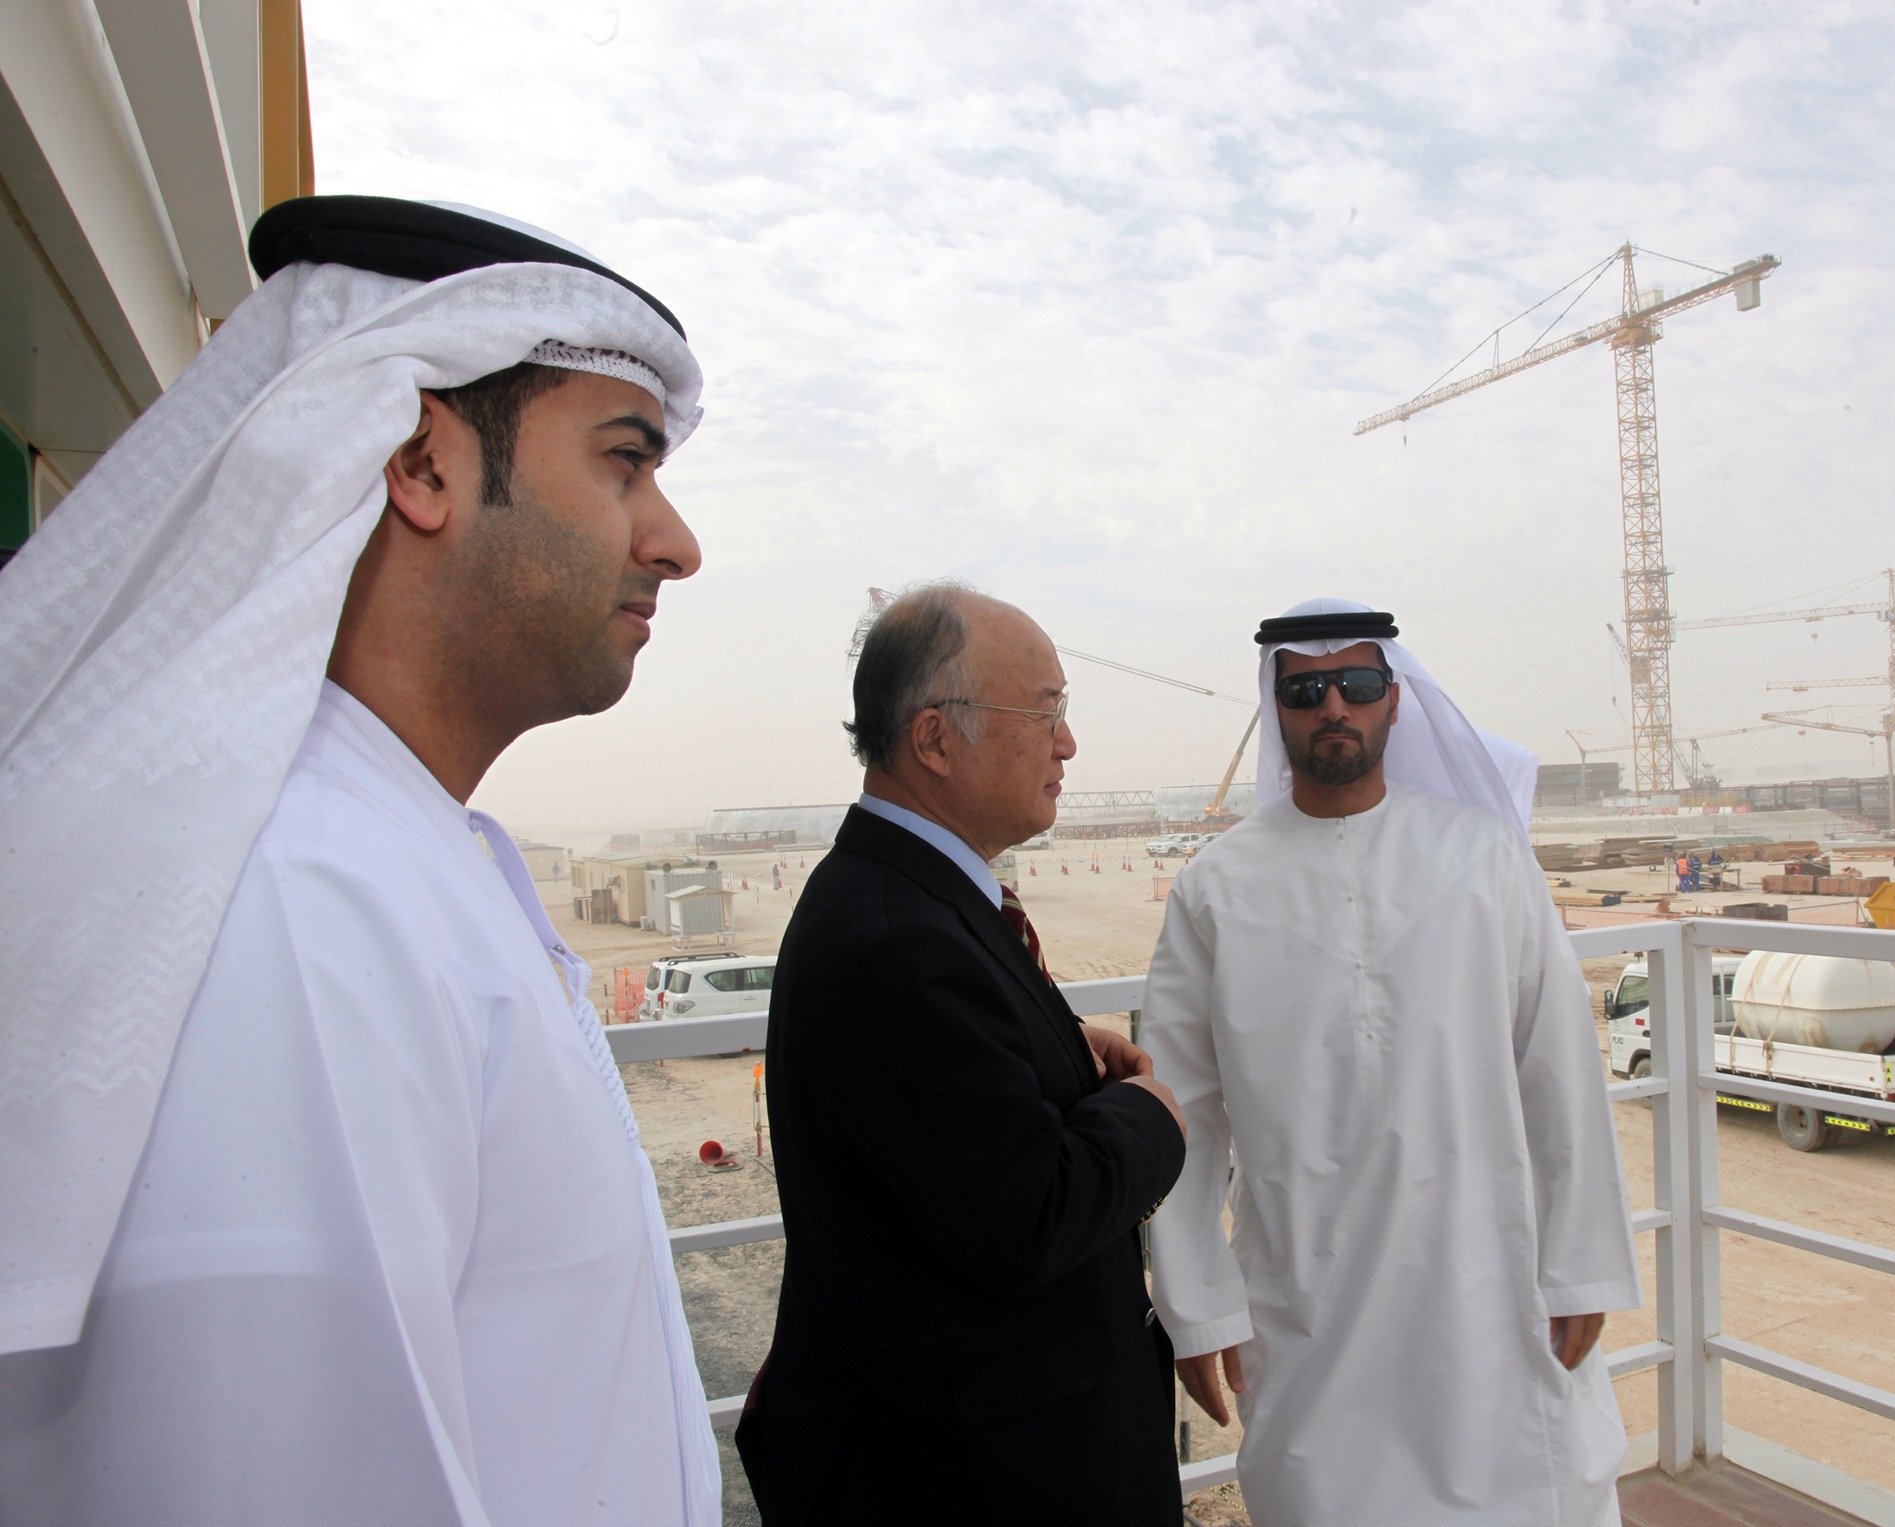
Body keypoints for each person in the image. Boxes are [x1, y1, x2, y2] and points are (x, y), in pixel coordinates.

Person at [0, 196, 721, 1525]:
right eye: (625, 462)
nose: (674, 541)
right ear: (420, 462)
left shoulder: (398, 855)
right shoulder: (299, 904)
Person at [1143, 597, 1644, 1526]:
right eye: (1306, 690)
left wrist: (1581, 1265)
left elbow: (1558, 1065)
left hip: (1490, 1277)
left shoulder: (1484, 855)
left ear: (1395, 698)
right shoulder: (1214, 888)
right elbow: (1181, 1113)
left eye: (1357, 683)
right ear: (1277, 708)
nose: (1333, 705)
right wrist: (1199, 1306)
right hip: (1307, 1294)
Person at [740, 582, 1189, 1524]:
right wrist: (1150, 1117)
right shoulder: (897, 939)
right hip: (971, 1477)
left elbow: (950, 1119)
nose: (1068, 743)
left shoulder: (909, 899)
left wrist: (1052, 1052)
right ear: (936, 739)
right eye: (1046, 713)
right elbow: (1028, 1214)